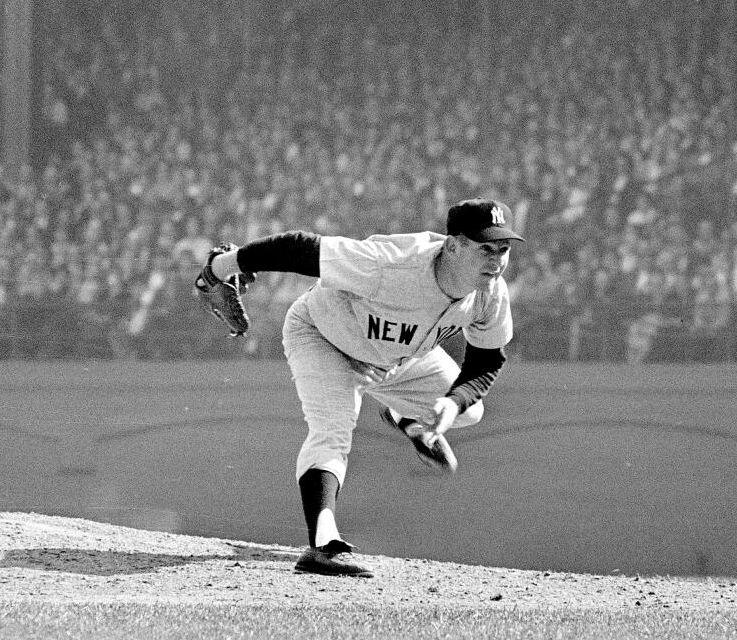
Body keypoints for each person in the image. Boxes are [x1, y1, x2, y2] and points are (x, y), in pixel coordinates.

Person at [196, 198, 523, 579]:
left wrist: (451, 404)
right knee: (331, 435)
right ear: (453, 246)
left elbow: (486, 361)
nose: (496, 260)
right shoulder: (389, 265)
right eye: (485, 248)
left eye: (503, 249)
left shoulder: (490, 293)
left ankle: (405, 417)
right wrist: (220, 268)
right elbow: (302, 248)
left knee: (469, 410)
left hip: (397, 361)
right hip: (325, 340)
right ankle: (323, 545)